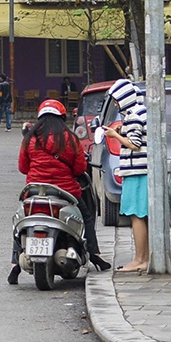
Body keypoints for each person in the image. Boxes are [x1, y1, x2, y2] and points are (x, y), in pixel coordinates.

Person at [11, 98, 108, 285]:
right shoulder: (70, 139)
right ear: (62, 118)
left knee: (19, 223)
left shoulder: (30, 138)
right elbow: (80, 169)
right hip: (65, 191)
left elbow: (23, 167)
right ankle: (94, 253)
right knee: (87, 216)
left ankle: (15, 264)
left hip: (34, 192)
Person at [107, 77, 151, 273]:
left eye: (116, 100)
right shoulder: (142, 112)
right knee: (142, 215)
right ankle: (145, 258)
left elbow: (134, 144)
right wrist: (122, 129)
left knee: (136, 215)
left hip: (136, 171)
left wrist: (115, 135)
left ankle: (140, 259)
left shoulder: (133, 115)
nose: (116, 104)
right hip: (143, 170)